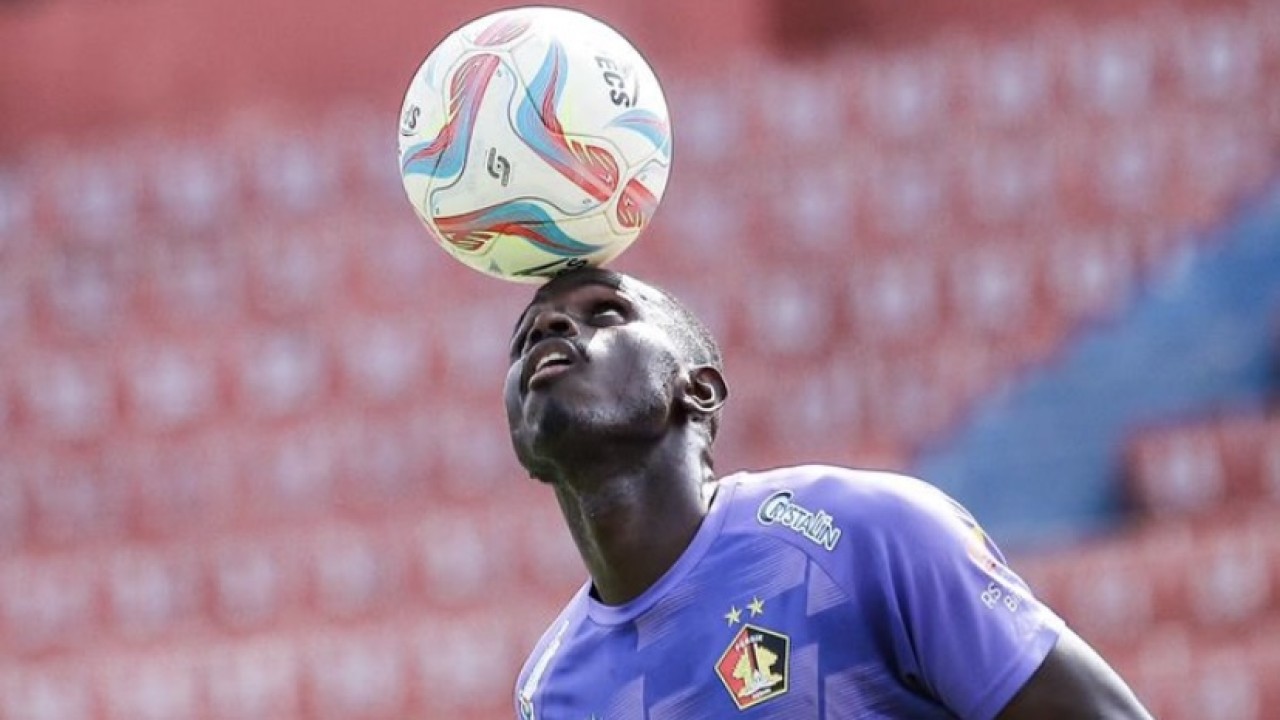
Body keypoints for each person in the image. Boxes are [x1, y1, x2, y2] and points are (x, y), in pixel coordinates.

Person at [505, 267, 1152, 719]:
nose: (551, 328)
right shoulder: (550, 690)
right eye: (525, 336)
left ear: (696, 389)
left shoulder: (867, 535)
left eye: (606, 312)